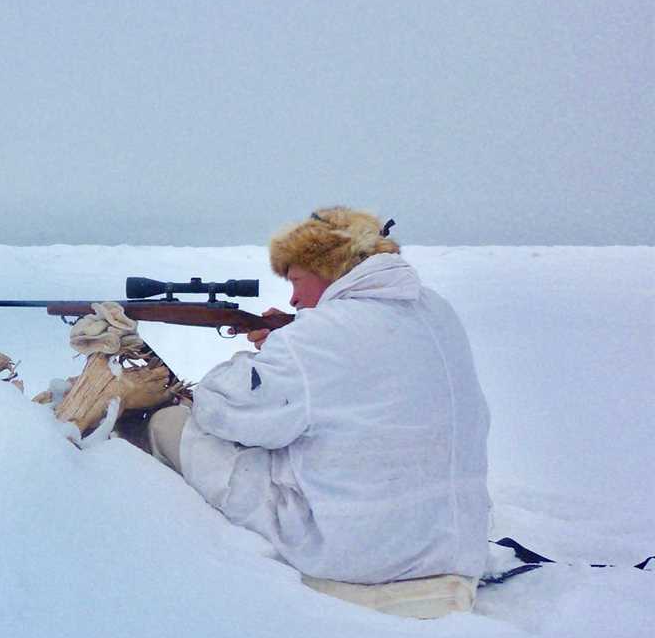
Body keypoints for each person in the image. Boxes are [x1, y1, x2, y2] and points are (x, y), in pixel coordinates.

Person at [146, 207, 491, 607]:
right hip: (454, 543)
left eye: (296, 280)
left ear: (328, 268)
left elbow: (228, 410)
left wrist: (276, 347)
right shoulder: (436, 310)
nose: (292, 297)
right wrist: (293, 335)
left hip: (358, 555)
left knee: (170, 424)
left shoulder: (315, 337)